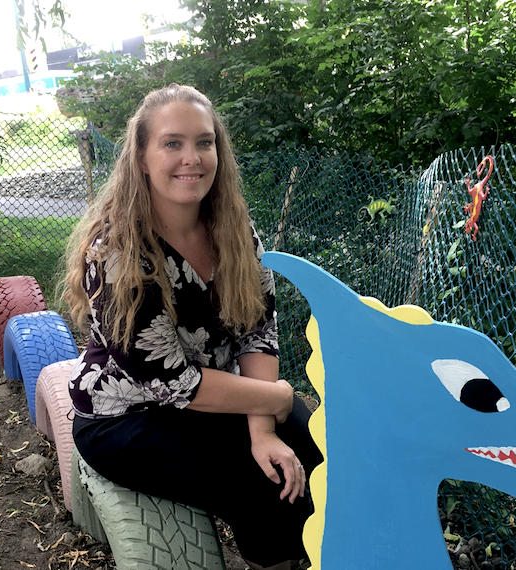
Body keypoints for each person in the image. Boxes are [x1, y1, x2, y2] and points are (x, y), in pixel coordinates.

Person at [61, 83, 322, 570]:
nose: (192, 158)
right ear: (141, 157)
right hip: (126, 416)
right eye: (173, 143)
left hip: (212, 394)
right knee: (258, 479)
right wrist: (279, 398)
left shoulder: (235, 230)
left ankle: (325, 552)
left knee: (315, 443)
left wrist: (265, 427)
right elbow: (172, 383)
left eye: (204, 142)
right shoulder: (117, 252)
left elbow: (257, 332)